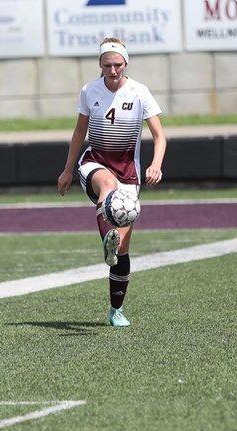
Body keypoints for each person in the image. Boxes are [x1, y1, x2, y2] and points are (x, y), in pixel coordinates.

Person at [57, 38, 167, 328]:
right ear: (100, 65)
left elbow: (159, 135)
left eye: (118, 64)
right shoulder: (89, 91)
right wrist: (68, 170)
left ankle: (116, 309)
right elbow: (79, 133)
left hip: (129, 172)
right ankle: (108, 236)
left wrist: (156, 165)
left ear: (126, 64)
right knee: (108, 186)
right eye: (107, 65)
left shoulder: (140, 92)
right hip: (94, 162)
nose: (113, 70)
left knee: (122, 253)